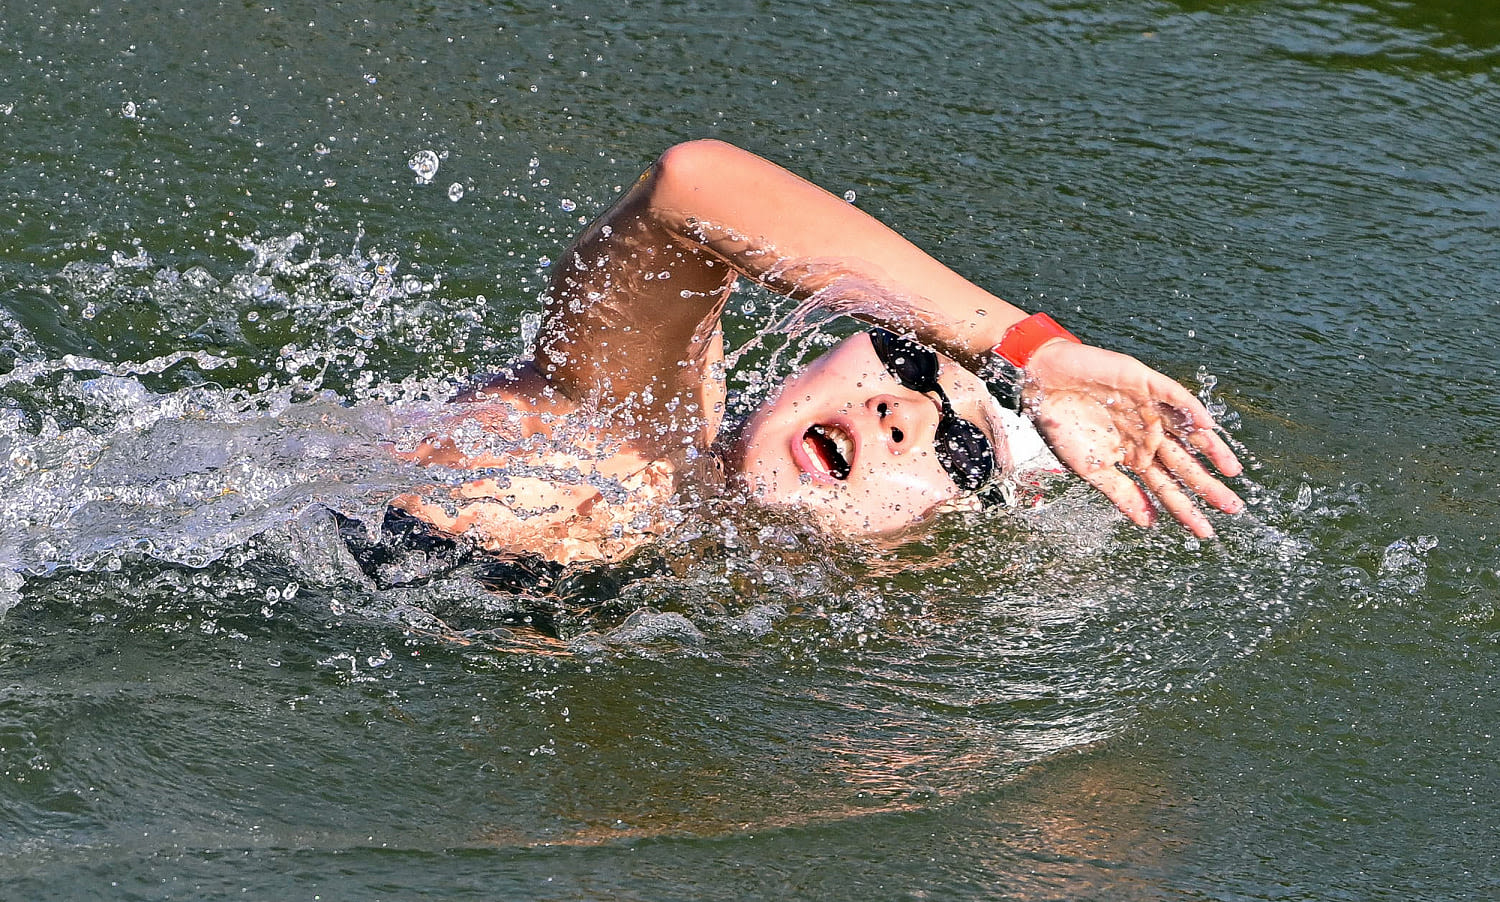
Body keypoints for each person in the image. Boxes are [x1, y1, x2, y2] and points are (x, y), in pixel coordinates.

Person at [384, 140, 1244, 571]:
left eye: (961, 451)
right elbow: (694, 183)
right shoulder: (634, 428)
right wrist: (1033, 352)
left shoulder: (739, 606)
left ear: (927, 551)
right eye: (908, 363)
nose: (900, 412)